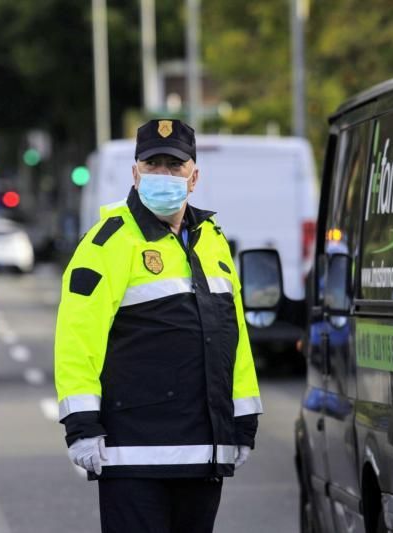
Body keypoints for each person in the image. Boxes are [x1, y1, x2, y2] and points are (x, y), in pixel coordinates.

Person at [54, 118, 262, 533]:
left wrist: (242, 420)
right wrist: (81, 425)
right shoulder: (107, 243)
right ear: (135, 174)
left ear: (194, 177)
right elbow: (78, 337)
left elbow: (232, 337)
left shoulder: (211, 241)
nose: (163, 175)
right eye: (153, 166)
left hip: (203, 452)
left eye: (174, 166)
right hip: (134, 455)